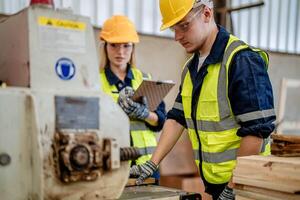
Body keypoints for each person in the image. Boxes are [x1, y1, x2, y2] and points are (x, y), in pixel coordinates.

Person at [129, 0, 276, 199]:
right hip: (217, 186)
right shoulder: (190, 69)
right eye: (174, 28)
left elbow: (257, 131)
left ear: (207, 14)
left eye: (184, 25)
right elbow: (177, 118)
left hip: (247, 187)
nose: (177, 37)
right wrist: (152, 163)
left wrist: (233, 186)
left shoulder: (241, 60)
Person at [99, 15, 166, 181]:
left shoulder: (144, 79)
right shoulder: (94, 82)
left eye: (126, 46)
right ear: (105, 46)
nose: (120, 52)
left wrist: (144, 114)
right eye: (114, 45)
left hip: (147, 166)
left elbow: (161, 121)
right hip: (112, 166)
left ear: (133, 48)